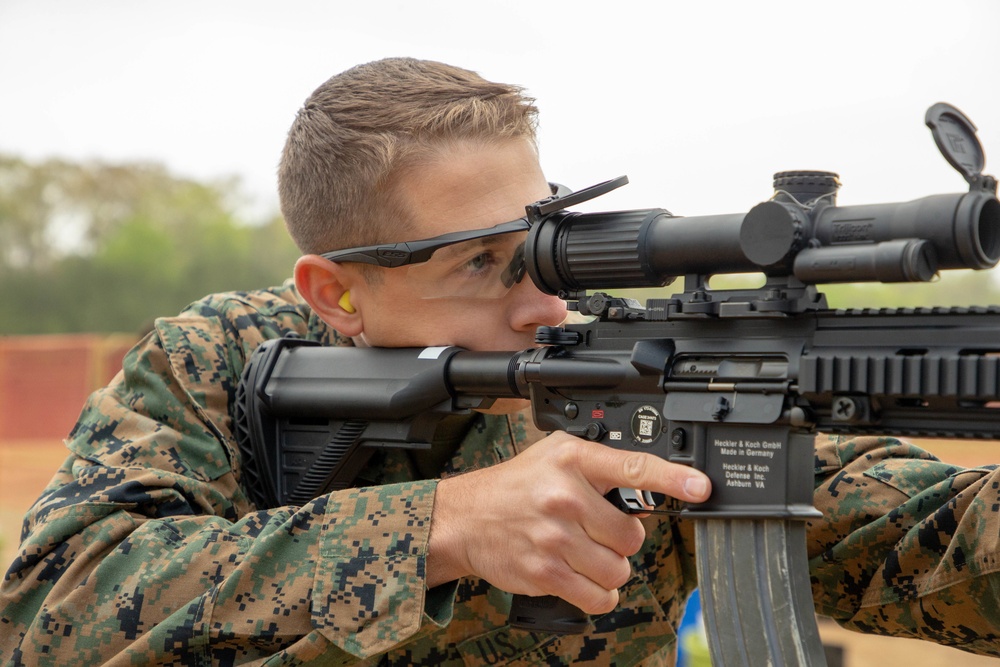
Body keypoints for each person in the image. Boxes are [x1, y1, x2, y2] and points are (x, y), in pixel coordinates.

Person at [2, 57, 999, 666]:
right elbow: (49, 613)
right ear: (335, 292)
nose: (545, 304)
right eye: (483, 265)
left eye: (542, 247)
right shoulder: (222, 359)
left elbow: (927, 544)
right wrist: (439, 525)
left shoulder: (637, 378)